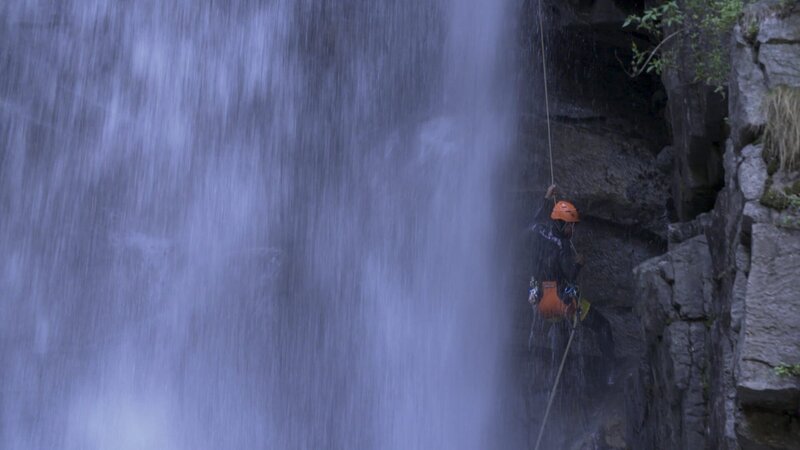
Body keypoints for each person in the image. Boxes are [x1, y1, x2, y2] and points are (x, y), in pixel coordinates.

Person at [526, 184, 616, 385]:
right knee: (602, 326)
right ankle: (610, 373)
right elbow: (569, 276)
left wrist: (546, 198)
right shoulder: (563, 247)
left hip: (539, 301)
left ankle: (560, 378)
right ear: (561, 224)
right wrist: (579, 264)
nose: (572, 230)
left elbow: (533, 221)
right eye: (570, 225)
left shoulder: (538, 231)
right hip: (560, 302)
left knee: (561, 334)